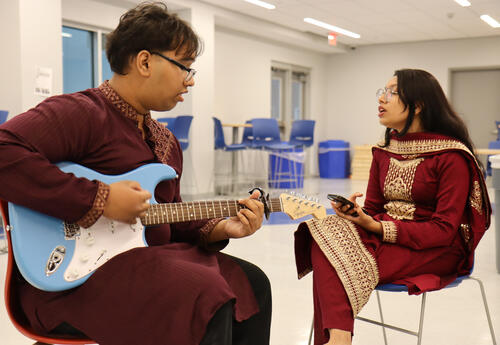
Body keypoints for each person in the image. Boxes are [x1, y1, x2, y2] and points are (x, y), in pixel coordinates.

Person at [0, 3, 271, 345]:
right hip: (76, 281)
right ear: (144, 62)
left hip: (149, 264)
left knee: (253, 283)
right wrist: (99, 199)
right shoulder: (82, 113)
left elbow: (170, 221)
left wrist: (219, 226)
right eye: (184, 67)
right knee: (204, 295)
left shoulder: (167, 141)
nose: (189, 81)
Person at [294, 69, 491, 345]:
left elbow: (444, 231)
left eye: (391, 92)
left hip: (437, 248)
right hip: (386, 235)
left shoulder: (451, 157)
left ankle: (336, 340)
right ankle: (338, 339)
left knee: (335, 256)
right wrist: (359, 216)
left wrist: (377, 227)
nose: (382, 99)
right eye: (381, 92)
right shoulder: (385, 150)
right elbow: (374, 209)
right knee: (321, 231)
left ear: (418, 105)